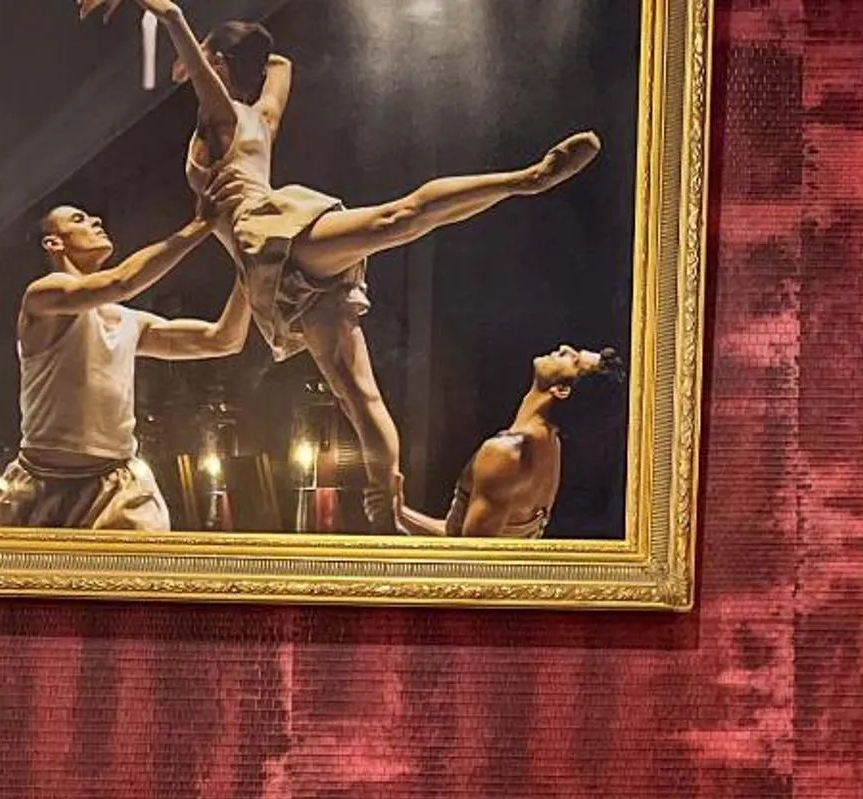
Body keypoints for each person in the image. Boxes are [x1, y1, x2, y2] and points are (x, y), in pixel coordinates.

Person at [129, 0, 600, 535]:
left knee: (395, 220)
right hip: (266, 262)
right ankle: (389, 501)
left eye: (207, 65)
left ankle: (527, 178)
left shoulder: (222, 119)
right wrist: (223, 53)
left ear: (215, 65)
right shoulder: (263, 116)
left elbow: (206, 50)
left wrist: (173, 23)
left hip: (270, 235)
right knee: (359, 393)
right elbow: (280, 65)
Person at [0, 205, 250, 531]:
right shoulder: (44, 296)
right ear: (54, 243)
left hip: (116, 487)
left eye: (92, 216)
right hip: (39, 485)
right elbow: (121, 281)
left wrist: (252, 271)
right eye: (78, 219)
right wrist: (202, 224)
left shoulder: (127, 321)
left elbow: (222, 340)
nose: (96, 220)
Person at [444, 344, 621, 538]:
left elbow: (471, 557)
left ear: (561, 390)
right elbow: (457, 536)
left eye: (574, 360)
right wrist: (404, 515)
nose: (565, 348)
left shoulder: (506, 454)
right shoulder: (551, 446)